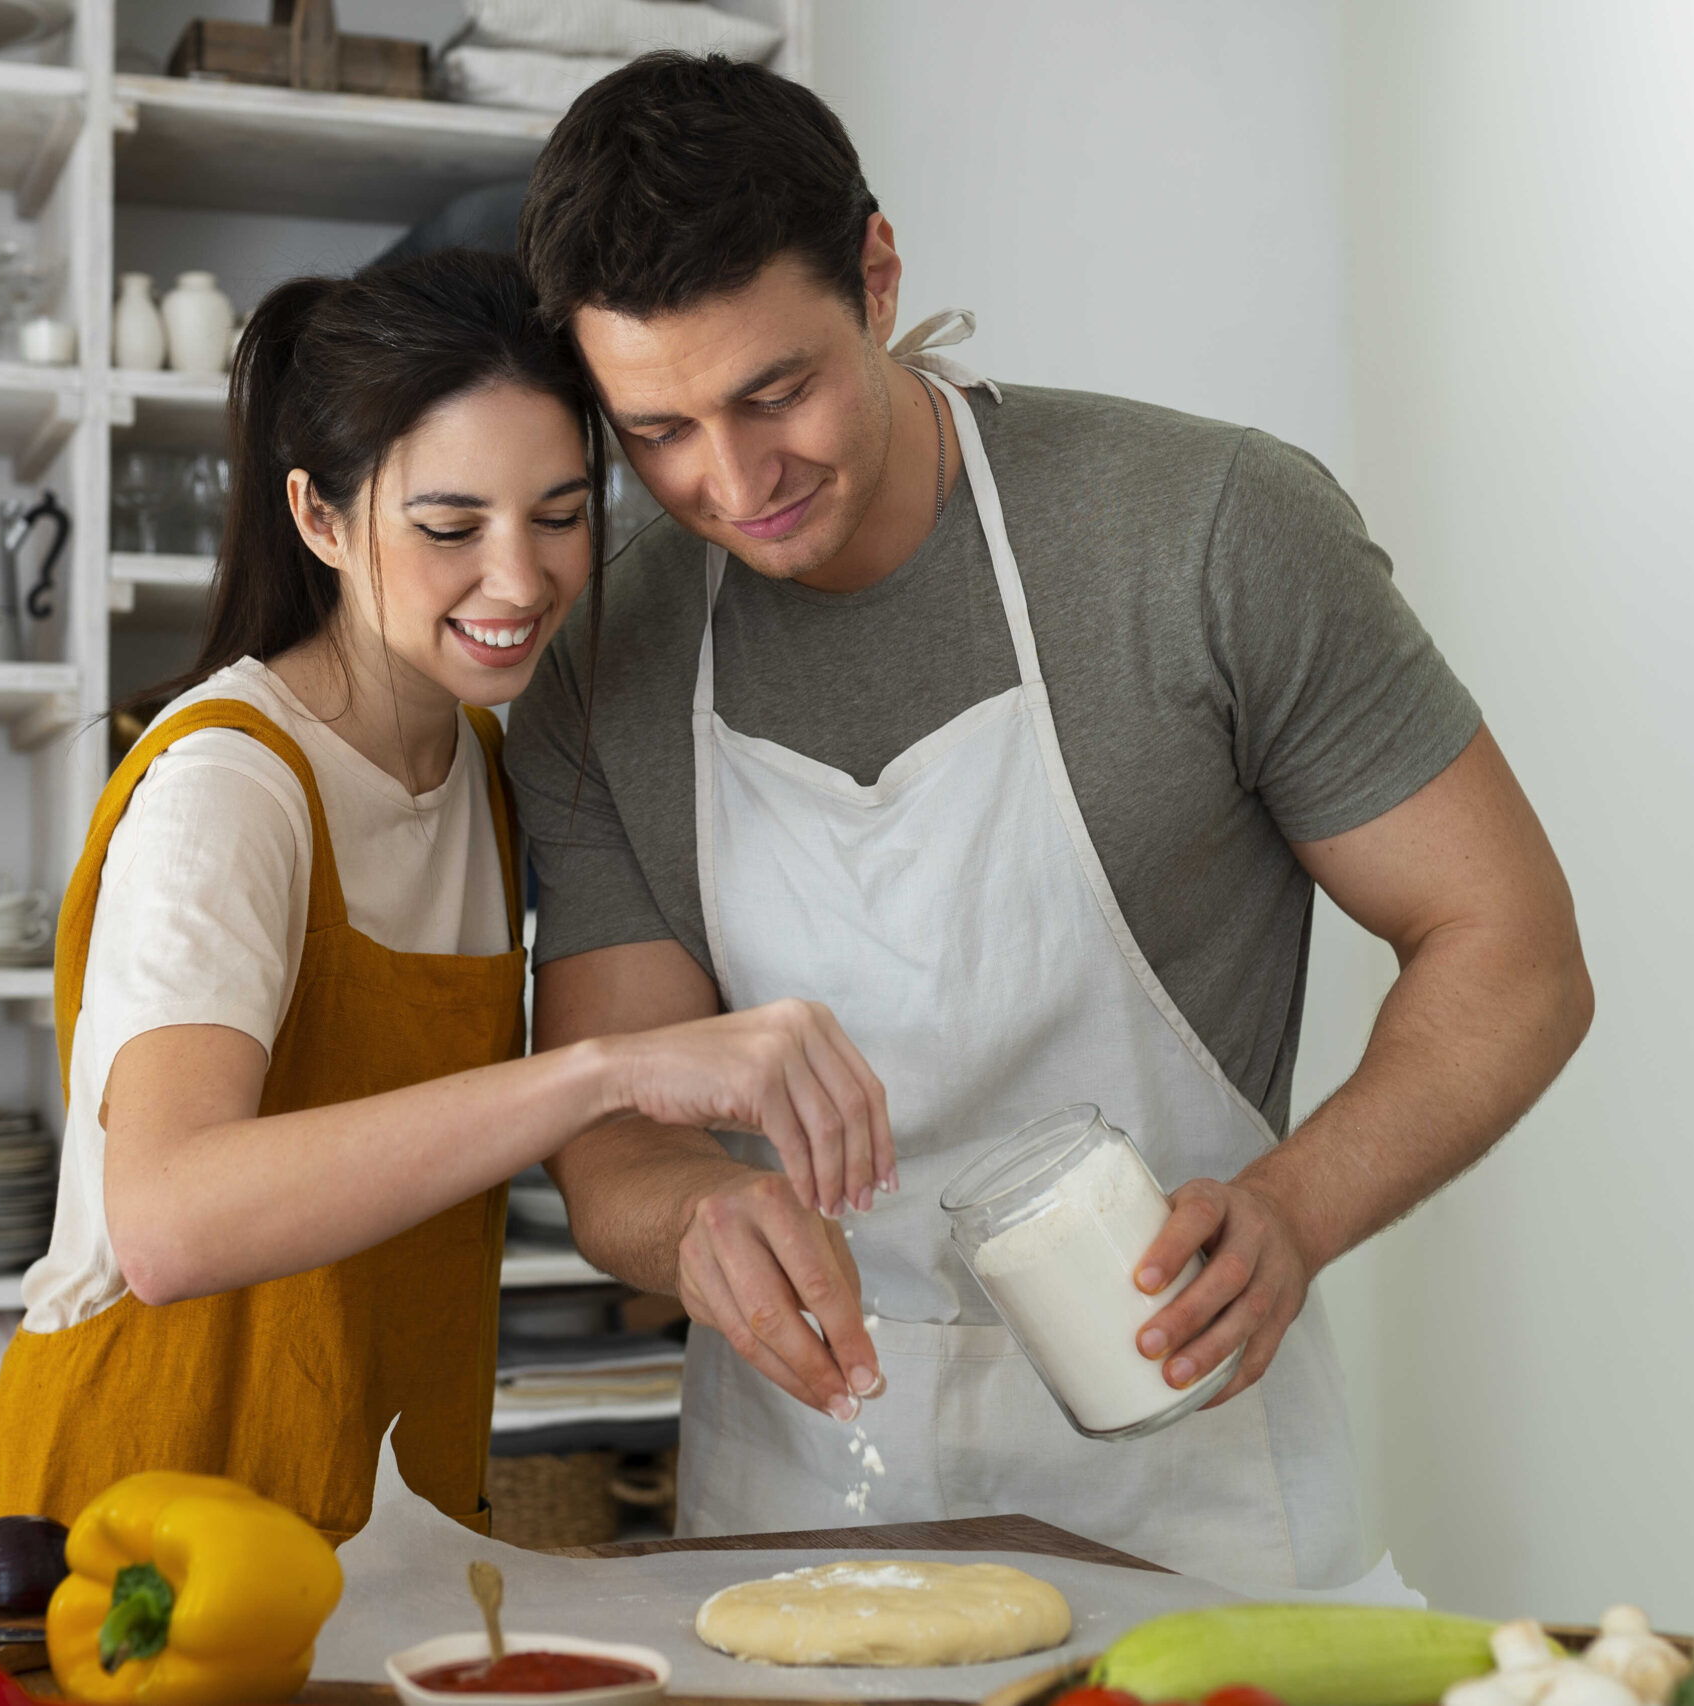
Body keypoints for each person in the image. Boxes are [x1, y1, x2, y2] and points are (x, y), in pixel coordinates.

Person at [505, 56, 1595, 1586]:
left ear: (876, 277)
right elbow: (612, 1118)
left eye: (776, 393)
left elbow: (1513, 947)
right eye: (657, 431)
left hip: (1193, 1477)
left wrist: (1295, 1211)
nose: (731, 482)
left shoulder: (1208, 533)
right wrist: (697, 1218)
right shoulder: (602, 655)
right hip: (805, 1502)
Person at [0, 251, 892, 1543]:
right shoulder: (230, 787)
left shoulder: (481, 767)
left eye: (560, 514)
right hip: (153, 1505)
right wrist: (607, 1069)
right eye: (450, 527)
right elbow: (167, 1218)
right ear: (322, 518)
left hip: (383, 1506)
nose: (518, 582)